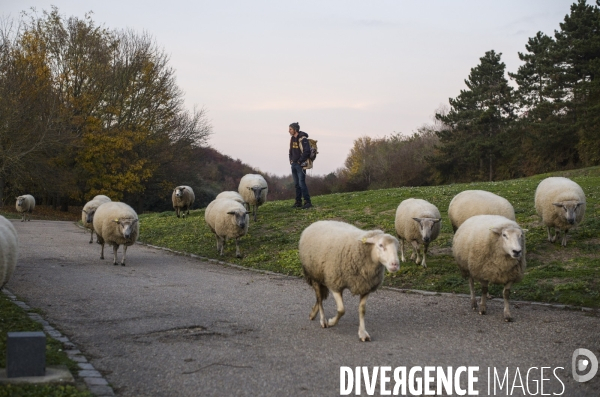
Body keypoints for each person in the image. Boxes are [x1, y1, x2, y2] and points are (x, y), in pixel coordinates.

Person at [288, 122, 312, 209]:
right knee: (296, 184)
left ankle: (307, 202)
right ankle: (298, 202)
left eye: (290, 129)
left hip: (300, 165)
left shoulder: (303, 138)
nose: (289, 131)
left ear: (295, 130)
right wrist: (290, 159)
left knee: (302, 183)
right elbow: (290, 150)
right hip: (293, 164)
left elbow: (307, 151)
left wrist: (299, 161)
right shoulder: (292, 139)